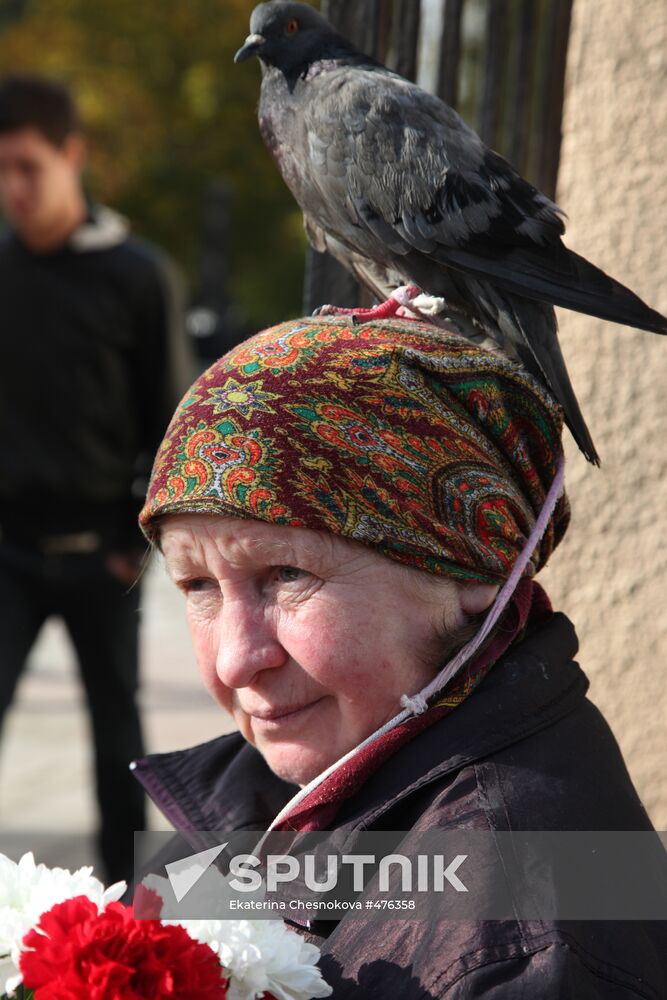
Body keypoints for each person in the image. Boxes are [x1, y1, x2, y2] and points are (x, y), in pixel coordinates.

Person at [134, 316, 666, 997]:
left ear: (476, 564)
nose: (237, 660)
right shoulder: (298, 784)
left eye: (288, 574)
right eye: (197, 586)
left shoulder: (522, 951)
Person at [0, 74, 192, 885]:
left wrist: (132, 546)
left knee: (121, 746)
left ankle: (125, 913)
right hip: (5, 553)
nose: (12, 189)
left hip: (102, 557)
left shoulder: (138, 275)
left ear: (72, 154)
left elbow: (171, 425)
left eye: (27, 166)